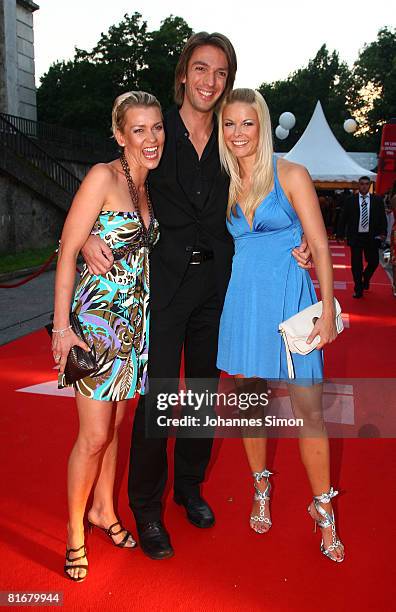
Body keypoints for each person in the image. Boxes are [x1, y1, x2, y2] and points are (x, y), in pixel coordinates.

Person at [81, 32, 312, 560]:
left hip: (218, 289)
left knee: (203, 397)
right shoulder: (156, 126)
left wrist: (298, 236)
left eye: (221, 73)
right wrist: (86, 235)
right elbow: (114, 178)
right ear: (184, 73)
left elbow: (268, 191)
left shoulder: (236, 138)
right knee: (160, 399)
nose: (211, 81)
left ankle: (189, 488)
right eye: (201, 69)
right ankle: (146, 508)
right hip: (161, 287)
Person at [216, 88, 344, 562]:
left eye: (247, 123)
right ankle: (260, 488)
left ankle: (323, 508)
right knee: (250, 407)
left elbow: (318, 242)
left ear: (263, 125)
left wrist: (328, 309)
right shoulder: (224, 179)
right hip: (243, 304)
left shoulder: (291, 174)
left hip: (291, 302)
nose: (238, 133)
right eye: (229, 124)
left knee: (309, 411)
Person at [52, 91, 164, 581]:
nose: (151, 138)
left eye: (156, 127)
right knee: (94, 434)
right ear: (120, 135)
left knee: (115, 427)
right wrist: (61, 330)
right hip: (97, 324)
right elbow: (67, 250)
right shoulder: (104, 175)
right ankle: (76, 534)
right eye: (138, 130)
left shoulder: (146, 185)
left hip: (134, 326)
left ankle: (104, 510)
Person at [337, 176, 387, 298]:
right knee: (356, 265)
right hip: (356, 236)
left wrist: (383, 232)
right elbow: (343, 218)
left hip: (372, 236)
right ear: (358, 185)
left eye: (366, 184)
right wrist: (339, 233)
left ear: (369, 185)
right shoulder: (351, 200)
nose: (364, 186)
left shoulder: (377, 200)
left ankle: (366, 277)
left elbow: (382, 217)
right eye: (361, 184)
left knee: (374, 262)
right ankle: (358, 289)